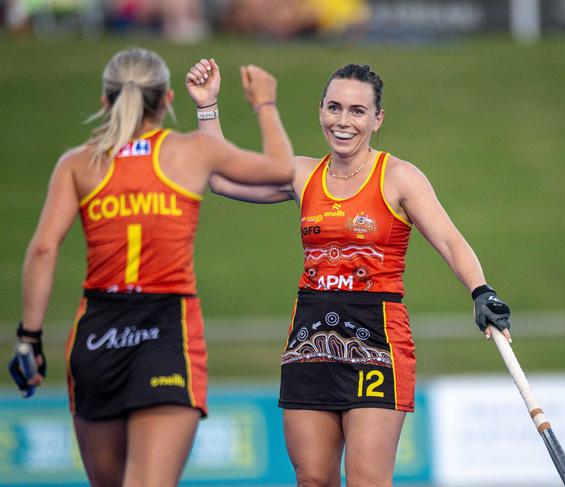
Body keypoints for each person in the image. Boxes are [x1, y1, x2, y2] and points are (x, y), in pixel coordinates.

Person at [186, 61, 511, 486]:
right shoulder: (302, 174)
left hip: (377, 342)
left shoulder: (398, 177)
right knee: (314, 479)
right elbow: (220, 178)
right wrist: (207, 105)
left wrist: (480, 291)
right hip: (310, 343)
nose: (343, 121)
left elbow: (451, 241)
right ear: (320, 110)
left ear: (377, 120)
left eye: (357, 111)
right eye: (334, 108)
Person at [9, 47, 293, 487]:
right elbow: (279, 169)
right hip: (166, 327)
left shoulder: (79, 163)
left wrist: (29, 339)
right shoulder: (190, 152)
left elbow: (44, 249)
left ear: (106, 102)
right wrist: (265, 103)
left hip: (98, 331)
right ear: (168, 100)